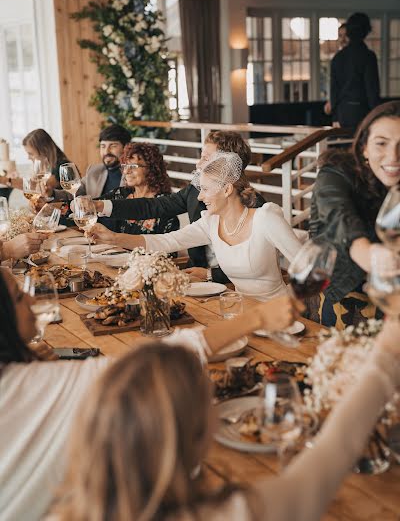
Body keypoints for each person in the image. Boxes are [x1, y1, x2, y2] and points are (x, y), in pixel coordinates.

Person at [0, 268, 298, 521]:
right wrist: (255, 318)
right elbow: (156, 364)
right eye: (17, 296)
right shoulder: (32, 386)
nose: (31, 298)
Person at [56, 316, 400, 521]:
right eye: (209, 397)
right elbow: (335, 450)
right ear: (195, 430)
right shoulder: (231, 514)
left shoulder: (61, 512)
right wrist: (385, 355)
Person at [90, 152, 301, 301]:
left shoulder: (265, 218)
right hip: (241, 311)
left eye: (206, 189)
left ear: (227, 189)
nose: (200, 196)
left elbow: (309, 267)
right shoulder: (211, 222)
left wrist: (294, 305)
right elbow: (166, 241)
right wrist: (114, 238)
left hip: (280, 314)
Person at [93, 130, 265, 283]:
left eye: (205, 158)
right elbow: (153, 207)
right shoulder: (195, 192)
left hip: (234, 288)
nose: (198, 164)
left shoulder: (257, 209)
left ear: (227, 163)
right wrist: (101, 206)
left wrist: (211, 275)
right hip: (194, 278)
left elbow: (258, 266)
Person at [309, 100, 400, 327]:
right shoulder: (336, 171)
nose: (393, 156)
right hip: (344, 296)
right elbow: (338, 216)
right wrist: (368, 254)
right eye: (381, 143)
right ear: (364, 146)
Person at [101, 142, 179, 237]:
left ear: (151, 169)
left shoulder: (165, 204)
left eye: (133, 166)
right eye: (125, 166)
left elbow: (169, 248)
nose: (126, 171)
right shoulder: (121, 194)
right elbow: (93, 205)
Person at [330, 12, 380, 135]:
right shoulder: (368, 56)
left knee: (343, 151)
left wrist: (335, 117)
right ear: (366, 31)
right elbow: (372, 89)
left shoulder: (338, 57)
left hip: (342, 113)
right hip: (362, 112)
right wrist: (378, 116)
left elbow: (334, 89)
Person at [0, 129, 70, 191]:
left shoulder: (62, 166)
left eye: (31, 154)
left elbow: (38, 187)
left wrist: (4, 180)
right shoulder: (45, 166)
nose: (29, 158)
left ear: (44, 150)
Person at [324, 23, 348, 117]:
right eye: (340, 36)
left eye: (346, 36)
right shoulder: (337, 58)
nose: (342, 39)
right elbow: (335, 85)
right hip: (338, 107)